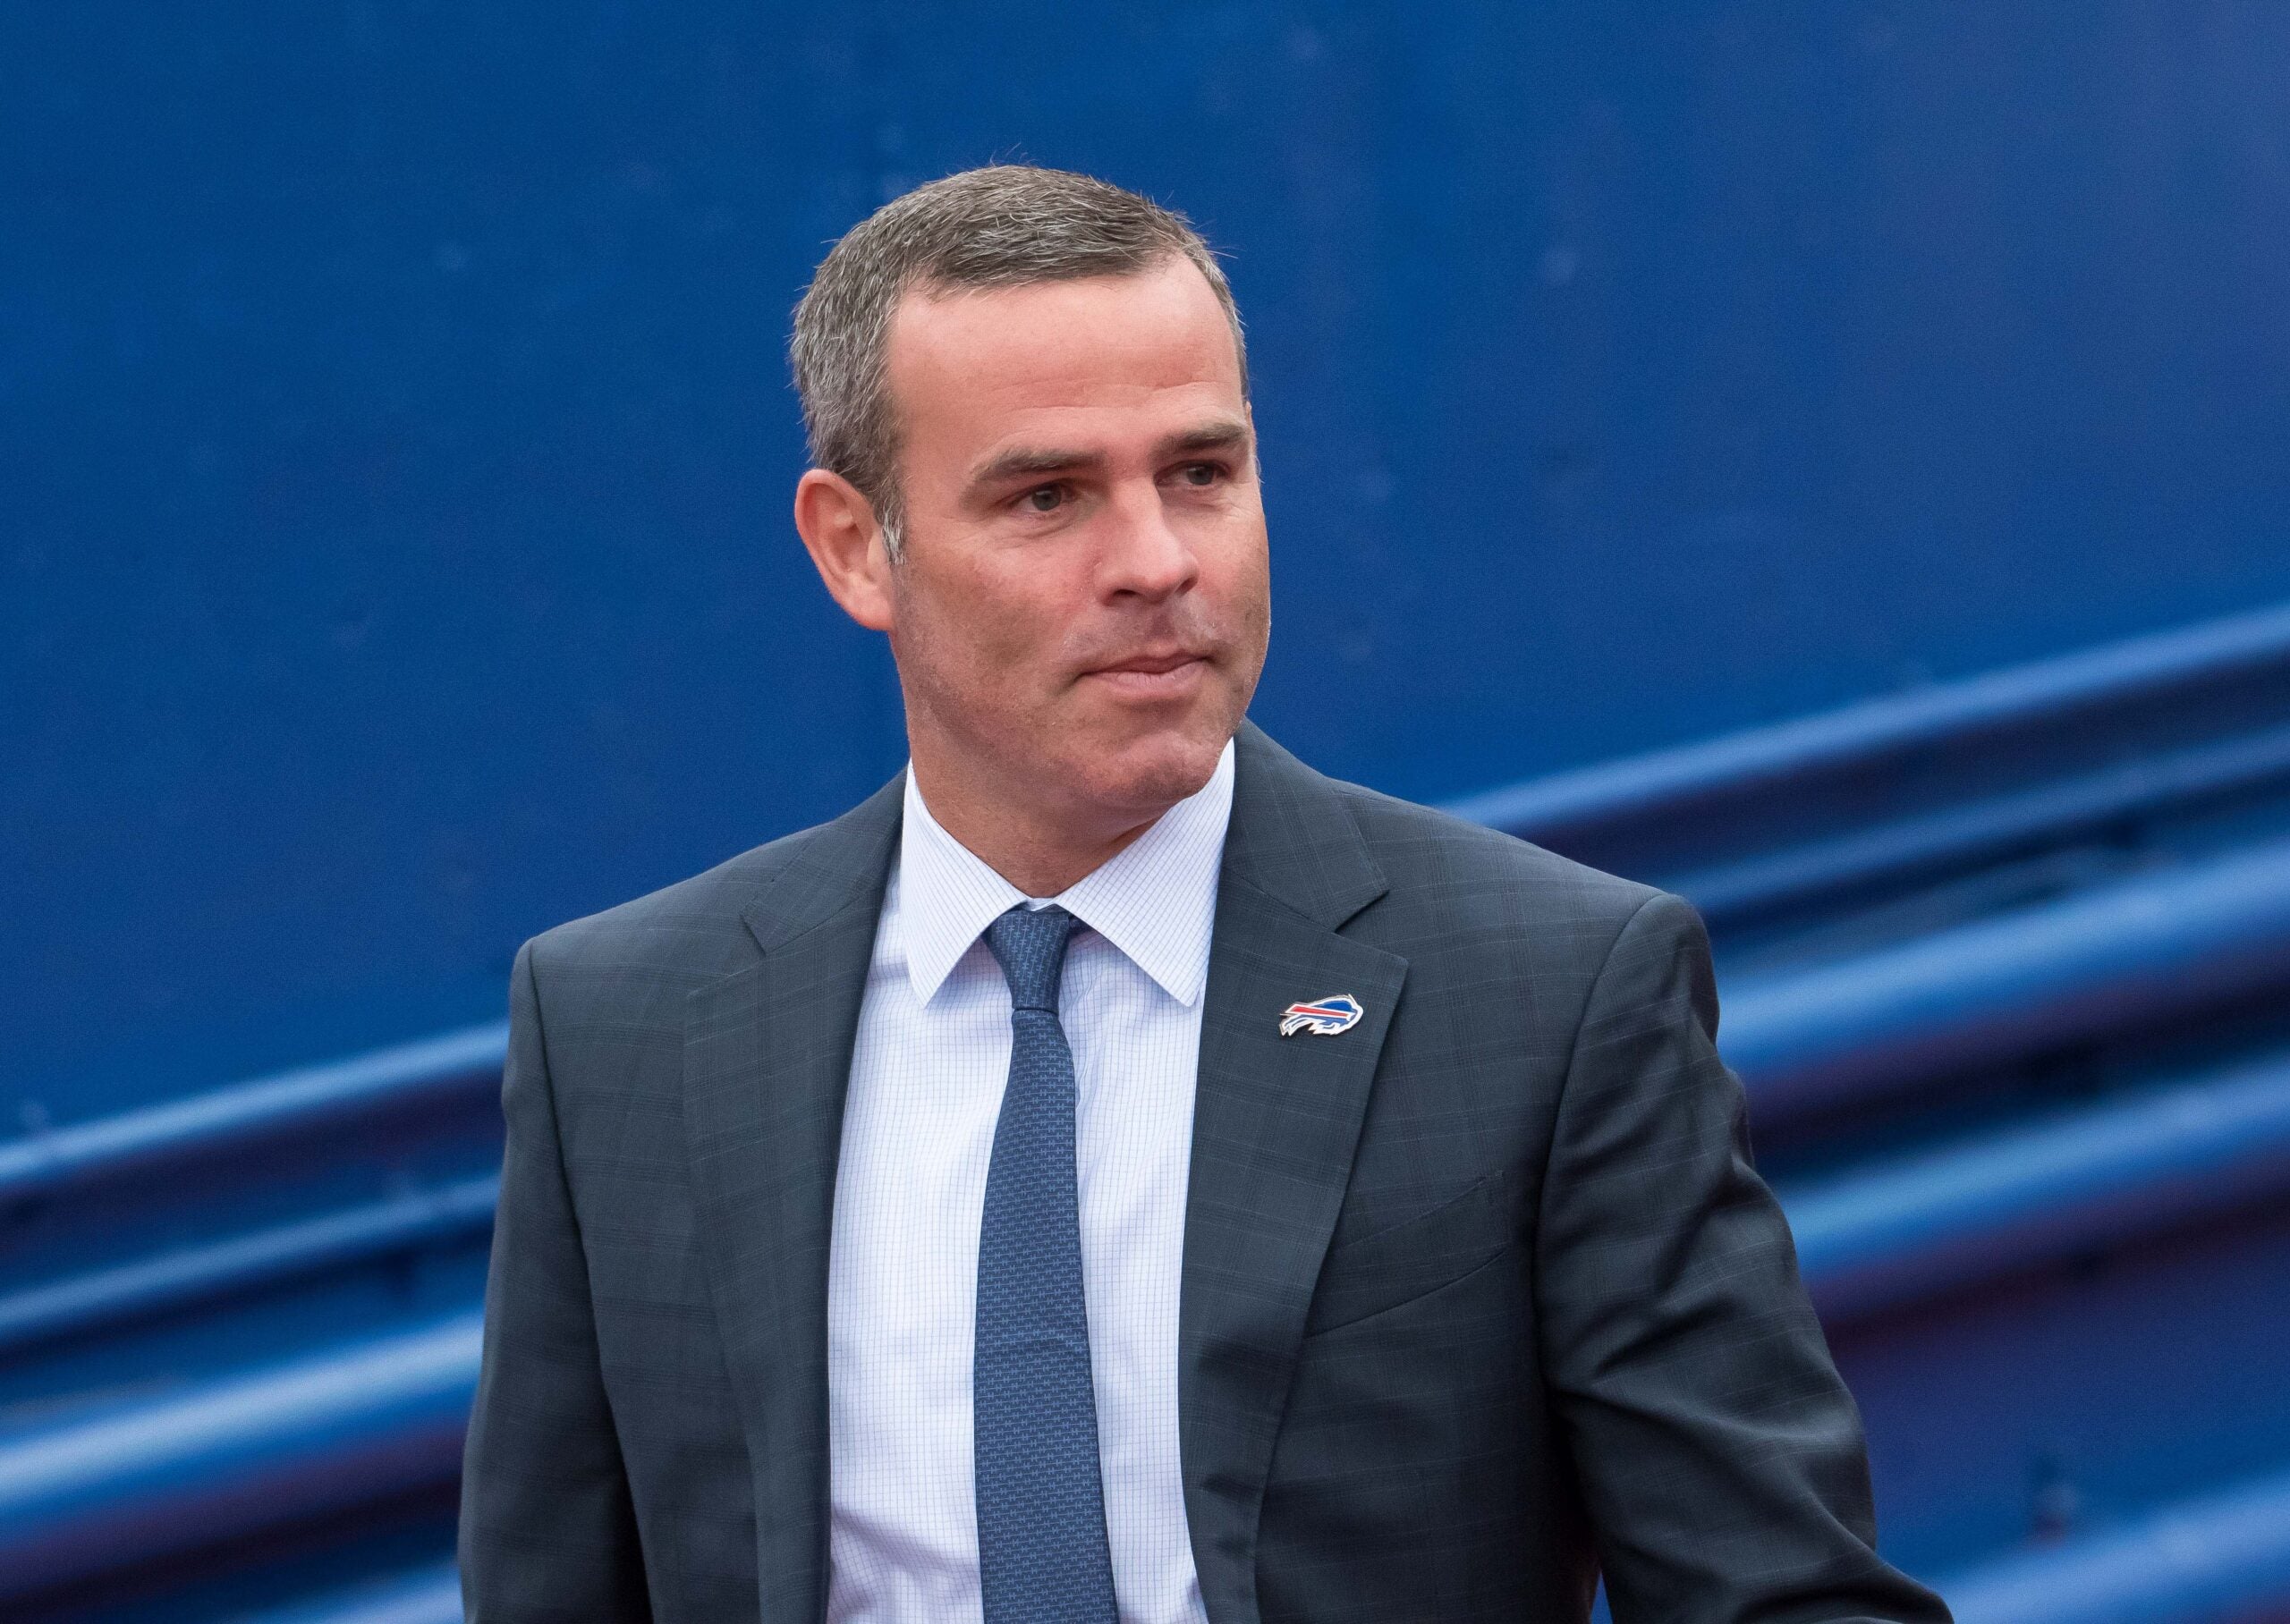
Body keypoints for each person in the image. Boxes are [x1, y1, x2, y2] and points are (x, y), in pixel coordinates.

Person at [459, 165, 1948, 1624]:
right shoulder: (626, 1029)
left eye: (1201, 473)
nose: (1159, 562)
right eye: (1048, 497)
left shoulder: (1550, 992)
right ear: (858, 548)